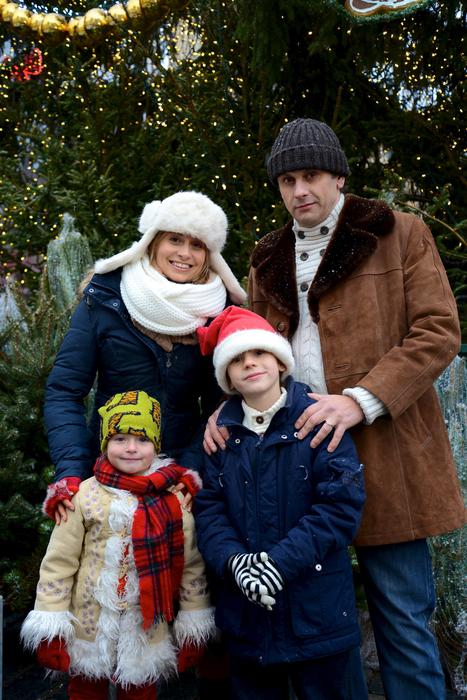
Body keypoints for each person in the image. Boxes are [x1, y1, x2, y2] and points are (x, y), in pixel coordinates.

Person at [204, 119, 466, 700]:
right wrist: (227, 408)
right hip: (294, 461)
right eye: (288, 180)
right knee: (321, 633)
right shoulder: (268, 255)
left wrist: (358, 401)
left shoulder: (398, 232)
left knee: (402, 621)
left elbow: (438, 331)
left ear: (339, 176)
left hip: (388, 453)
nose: (300, 190)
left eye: (312, 176)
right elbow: (252, 349)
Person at [42, 190, 246, 524]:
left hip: (180, 481)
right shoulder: (106, 298)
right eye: (175, 239)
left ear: (209, 254)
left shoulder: (219, 314)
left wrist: (192, 469)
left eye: (197, 245)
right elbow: (64, 391)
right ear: (153, 241)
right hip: (107, 475)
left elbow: (222, 404)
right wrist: (72, 472)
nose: (184, 253)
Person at [194, 305, 366, 700]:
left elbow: (339, 506)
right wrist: (234, 563)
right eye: (237, 359)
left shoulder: (318, 420)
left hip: (317, 614)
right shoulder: (221, 436)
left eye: (259, 353)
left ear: (280, 361)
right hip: (248, 620)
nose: (250, 363)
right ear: (227, 377)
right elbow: (209, 510)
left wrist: (278, 563)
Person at [21, 390, 216, 698]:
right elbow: (58, 563)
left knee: (139, 691)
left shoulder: (173, 500)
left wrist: (193, 622)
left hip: (145, 629)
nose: (131, 448)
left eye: (142, 440)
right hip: (89, 625)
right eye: (120, 439)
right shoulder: (85, 496)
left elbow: (191, 567)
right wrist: (51, 625)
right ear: (105, 444)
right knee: (85, 690)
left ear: (156, 445)